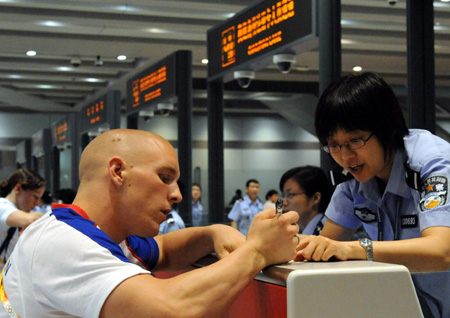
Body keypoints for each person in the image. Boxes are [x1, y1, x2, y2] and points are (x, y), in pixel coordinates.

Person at [1, 129, 299, 318]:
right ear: (118, 172)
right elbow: (171, 309)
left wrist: (213, 233)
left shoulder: (99, 233)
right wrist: (257, 251)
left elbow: (164, 248)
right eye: (165, 178)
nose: (177, 194)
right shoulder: (65, 244)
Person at [295, 72, 450, 318]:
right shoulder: (353, 181)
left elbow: (442, 252)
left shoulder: (433, 165)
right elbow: (323, 249)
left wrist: (356, 249)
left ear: (386, 129)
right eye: (333, 145)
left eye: (355, 141)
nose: (345, 157)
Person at [0, 168, 45, 264]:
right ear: (18, 189)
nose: (37, 203)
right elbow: (31, 219)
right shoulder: (2, 206)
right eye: (35, 197)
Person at [279, 166, 332, 235]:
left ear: (315, 198)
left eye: (290, 195)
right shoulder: (297, 230)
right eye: (283, 196)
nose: (284, 202)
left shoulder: (329, 232)